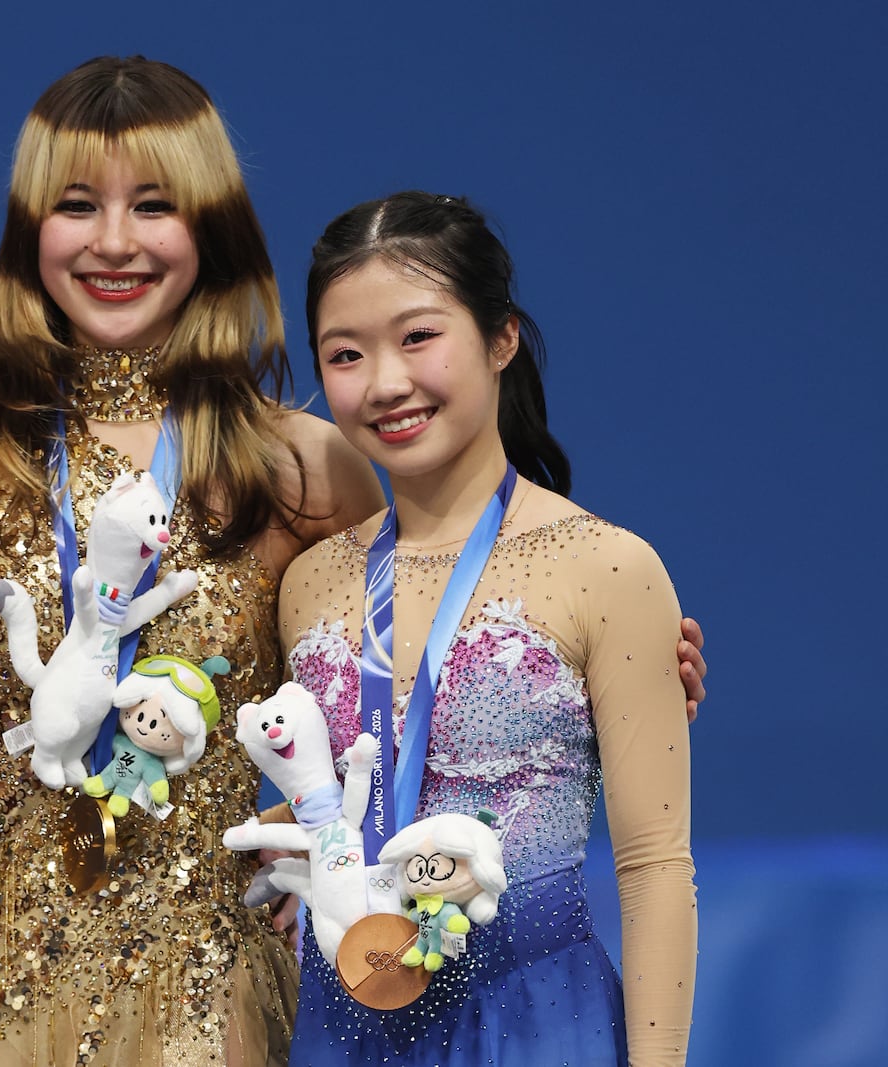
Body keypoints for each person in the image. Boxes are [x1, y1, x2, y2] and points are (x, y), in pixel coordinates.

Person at [0, 59, 705, 1066]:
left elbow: (400, 684)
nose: (112, 239)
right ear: (27, 228)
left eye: (154, 204)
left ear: (213, 225)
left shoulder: (303, 465)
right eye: (74, 205)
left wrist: (612, 687)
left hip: (220, 995)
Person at [273, 191, 696, 1064]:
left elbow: (654, 866)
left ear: (501, 337)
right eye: (345, 354)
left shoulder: (606, 567)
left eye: (419, 337)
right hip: (347, 1020)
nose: (386, 382)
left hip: (540, 1020)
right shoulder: (310, 581)